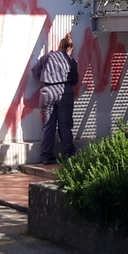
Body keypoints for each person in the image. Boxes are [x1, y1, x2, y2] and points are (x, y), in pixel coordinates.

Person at [31, 35, 79, 163]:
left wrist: (49, 77)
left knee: (48, 125)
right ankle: (69, 154)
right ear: (70, 48)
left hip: (47, 92)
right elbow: (75, 80)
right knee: (65, 125)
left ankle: (47, 156)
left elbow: (35, 72)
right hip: (65, 92)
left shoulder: (47, 57)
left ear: (60, 46)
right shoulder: (71, 61)